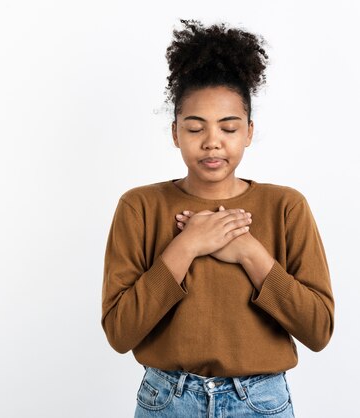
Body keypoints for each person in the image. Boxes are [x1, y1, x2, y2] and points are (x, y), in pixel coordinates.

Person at [100, 19, 335, 417]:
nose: (212, 141)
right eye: (195, 128)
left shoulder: (286, 206)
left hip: (260, 402)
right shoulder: (138, 207)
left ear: (248, 131)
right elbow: (121, 334)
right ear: (175, 133)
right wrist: (186, 245)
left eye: (228, 127)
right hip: (167, 400)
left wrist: (250, 254)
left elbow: (318, 331)